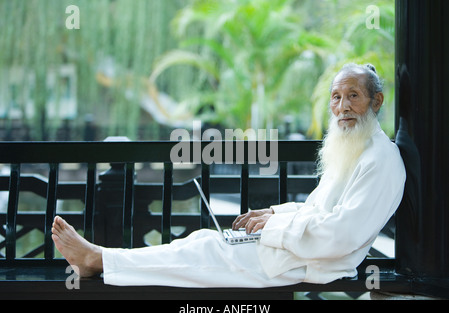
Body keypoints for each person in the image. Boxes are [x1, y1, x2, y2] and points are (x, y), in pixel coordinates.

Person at [51, 63, 406, 287]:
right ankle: (100, 259)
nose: (342, 107)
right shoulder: (355, 150)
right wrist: (275, 214)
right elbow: (318, 210)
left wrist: (274, 227)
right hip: (295, 251)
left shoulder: (381, 159)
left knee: (201, 252)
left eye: (353, 96)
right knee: (199, 241)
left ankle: (97, 258)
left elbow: (341, 236)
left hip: (309, 263)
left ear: (376, 101)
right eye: (336, 97)